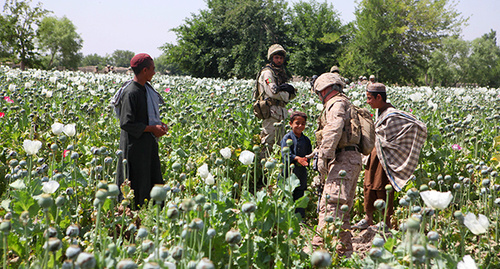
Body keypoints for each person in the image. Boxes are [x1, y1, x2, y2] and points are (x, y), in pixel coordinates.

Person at [353, 83, 427, 230]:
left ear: (379, 97)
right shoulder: (381, 112)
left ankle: (385, 222)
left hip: (385, 158)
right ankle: (368, 219)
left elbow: (416, 125)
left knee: (382, 187)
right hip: (373, 156)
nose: (368, 102)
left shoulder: (392, 114)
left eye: (369, 98)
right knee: (368, 186)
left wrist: (392, 144)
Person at [311, 73, 361, 256]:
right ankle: (343, 252)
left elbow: (334, 128)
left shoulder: (336, 104)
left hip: (343, 161)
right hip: (350, 159)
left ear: (324, 89)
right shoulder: (346, 103)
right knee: (342, 209)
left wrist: (324, 156)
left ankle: (320, 251)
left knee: (330, 207)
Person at [111, 53, 169, 207]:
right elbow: (126, 123)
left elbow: (147, 118)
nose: (154, 72)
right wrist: (152, 128)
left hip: (146, 146)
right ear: (144, 71)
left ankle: (149, 212)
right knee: (136, 185)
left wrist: (159, 126)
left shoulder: (145, 90)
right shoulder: (131, 93)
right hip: (134, 149)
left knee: (149, 180)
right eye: (152, 69)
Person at [257, 44, 296, 158]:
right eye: (276, 58)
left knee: (280, 145)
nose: (279, 60)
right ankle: (263, 171)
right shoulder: (268, 73)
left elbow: (292, 95)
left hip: (281, 113)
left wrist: (289, 92)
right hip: (271, 113)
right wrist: (287, 94)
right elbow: (272, 92)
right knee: (268, 143)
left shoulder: (281, 72)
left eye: (281, 58)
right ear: (271, 58)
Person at [280, 111, 312, 219]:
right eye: (297, 123)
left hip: (301, 172)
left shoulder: (306, 140)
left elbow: (309, 154)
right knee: (287, 194)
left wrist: (306, 160)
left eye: (303, 124)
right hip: (288, 172)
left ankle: (299, 219)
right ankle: (285, 217)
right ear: (290, 123)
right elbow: (285, 154)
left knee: (300, 195)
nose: (300, 126)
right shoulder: (287, 138)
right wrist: (296, 158)